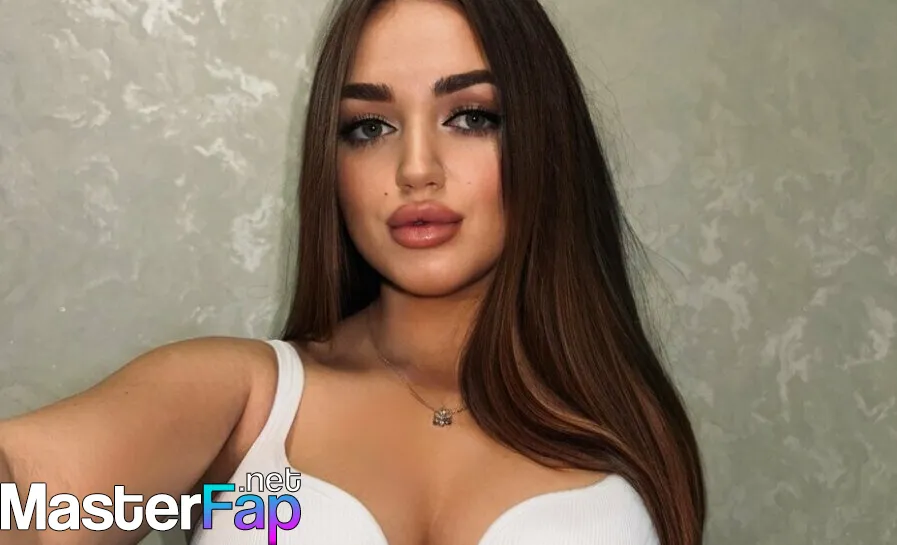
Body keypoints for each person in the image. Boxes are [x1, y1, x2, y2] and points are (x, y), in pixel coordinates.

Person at [0, 0, 707, 543]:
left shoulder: (628, 424)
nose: (416, 169)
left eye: (471, 117)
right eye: (369, 127)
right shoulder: (243, 404)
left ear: (546, 140)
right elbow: (26, 495)